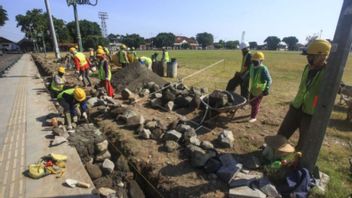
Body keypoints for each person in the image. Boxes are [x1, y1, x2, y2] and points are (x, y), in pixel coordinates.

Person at [274, 39, 331, 150]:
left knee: (305, 141)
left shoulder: (329, 72)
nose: (308, 58)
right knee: (282, 133)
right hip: (296, 107)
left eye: (311, 56)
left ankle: (297, 161)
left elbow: (334, 89)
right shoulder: (307, 68)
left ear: (322, 56)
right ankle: (273, 151)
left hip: (311, 113)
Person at [248, 51, 272, 123]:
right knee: (252, 102)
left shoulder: (263, 69)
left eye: (256, 61)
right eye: (253, 61)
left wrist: (266, 89)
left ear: (261, 60)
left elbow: (269, 80)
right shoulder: (252, 66)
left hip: (260, 89)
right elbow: (249, 74)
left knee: (255, 103)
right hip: (253, 88)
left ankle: (253, 117)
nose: (254, 62)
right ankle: (256, 109)